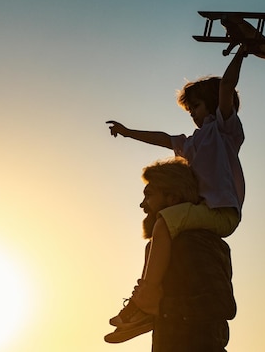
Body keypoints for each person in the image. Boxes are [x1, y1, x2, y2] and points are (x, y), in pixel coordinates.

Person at [105, 49, 246, 340]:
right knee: (155, 243)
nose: (192, 113)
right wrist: (129, 132)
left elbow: (227, 88)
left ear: (211, 105)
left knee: (165, 221)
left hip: (222, 214)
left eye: (195, 106)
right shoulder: (191, 144)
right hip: (207, 212)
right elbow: (161, 138)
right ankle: (147, 305)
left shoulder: (224, 131)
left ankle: (145, 304)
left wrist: (242, 50)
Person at [104, 158, 236, 351]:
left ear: (172, 198)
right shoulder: (167, 246)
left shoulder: (191, 242)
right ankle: (141, 311)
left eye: (148, 196)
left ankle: (142, 308)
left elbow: (221, 304)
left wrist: (160, 307)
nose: (142, 205)